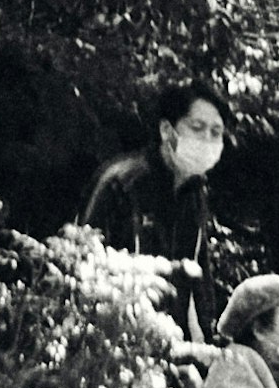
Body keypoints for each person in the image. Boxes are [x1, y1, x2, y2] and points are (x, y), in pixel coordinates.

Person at [78, 86, 233, 298]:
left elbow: (197, 279)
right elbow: (84, 263)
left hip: (171, 328)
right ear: (167, 131)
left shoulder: (194, 191)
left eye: (216, 133)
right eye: (197, 128)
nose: (207, 139)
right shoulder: (122, 184)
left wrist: (204, 329)